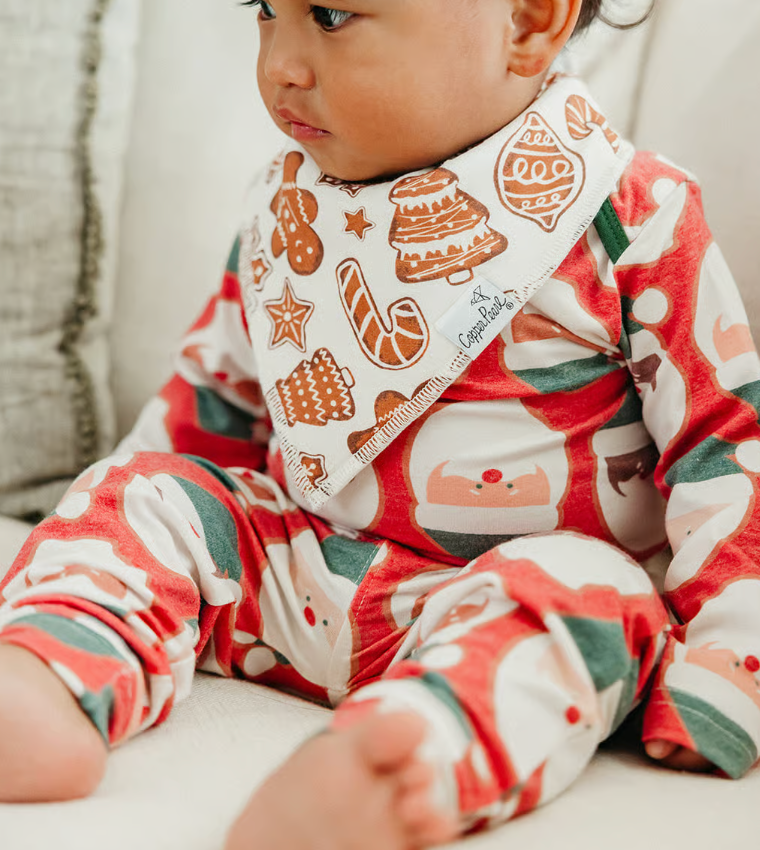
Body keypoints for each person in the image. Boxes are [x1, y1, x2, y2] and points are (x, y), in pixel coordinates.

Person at [1, 0, 759, 847]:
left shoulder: (631, 212)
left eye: (328, 15)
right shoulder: (287, 210)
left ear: (529, 22)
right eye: (264, 10)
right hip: (306, 588)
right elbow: (209, 407)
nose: (281, 63)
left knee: (595, 591)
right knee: (136, 488)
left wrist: (728, 666)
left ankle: (400, 762)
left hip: (502, 601)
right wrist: (140, 527)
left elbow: (722, 444)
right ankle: (52, 673)